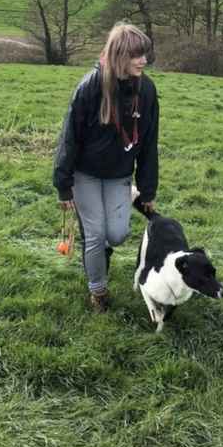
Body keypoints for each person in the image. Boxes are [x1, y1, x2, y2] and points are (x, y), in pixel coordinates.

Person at [53, 22, 159, 313]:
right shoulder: (90, 86)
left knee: (116, 235)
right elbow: (69, 139)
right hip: (84, 175)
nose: (144, 61)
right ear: (119, 55)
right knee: (95, 235)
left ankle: (99, 246)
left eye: (144, 55)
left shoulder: (147, 90)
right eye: (137, 55)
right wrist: (63, 185)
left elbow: (149, 143)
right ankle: (98, 291)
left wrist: (147, 190)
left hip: (120, 176)